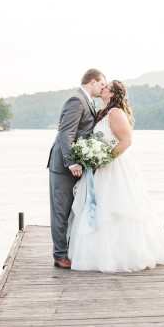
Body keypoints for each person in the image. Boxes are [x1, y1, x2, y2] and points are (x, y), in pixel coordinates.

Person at [66, 80, 164, 272]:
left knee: (116, 210)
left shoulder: (116, 113)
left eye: (106, 87)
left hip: (114, 167)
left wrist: (105, 159)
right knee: (99, 210)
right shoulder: (102, 113)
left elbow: (126, 141)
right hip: (99, 169)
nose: (102, 87)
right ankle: (98, 254)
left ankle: (123, 255)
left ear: (111, 94)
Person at [47, 68, 106, 269]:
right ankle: (60, 255)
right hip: (63, 166)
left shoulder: (87, 101)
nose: (102, 87)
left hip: (77, 165)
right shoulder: (76, 100)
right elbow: (66, 134)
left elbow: (80, 130)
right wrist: (71, 162)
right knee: (60, 211)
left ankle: (70, 250)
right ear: (92, 81)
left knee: (73, 210)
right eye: (101, 83)